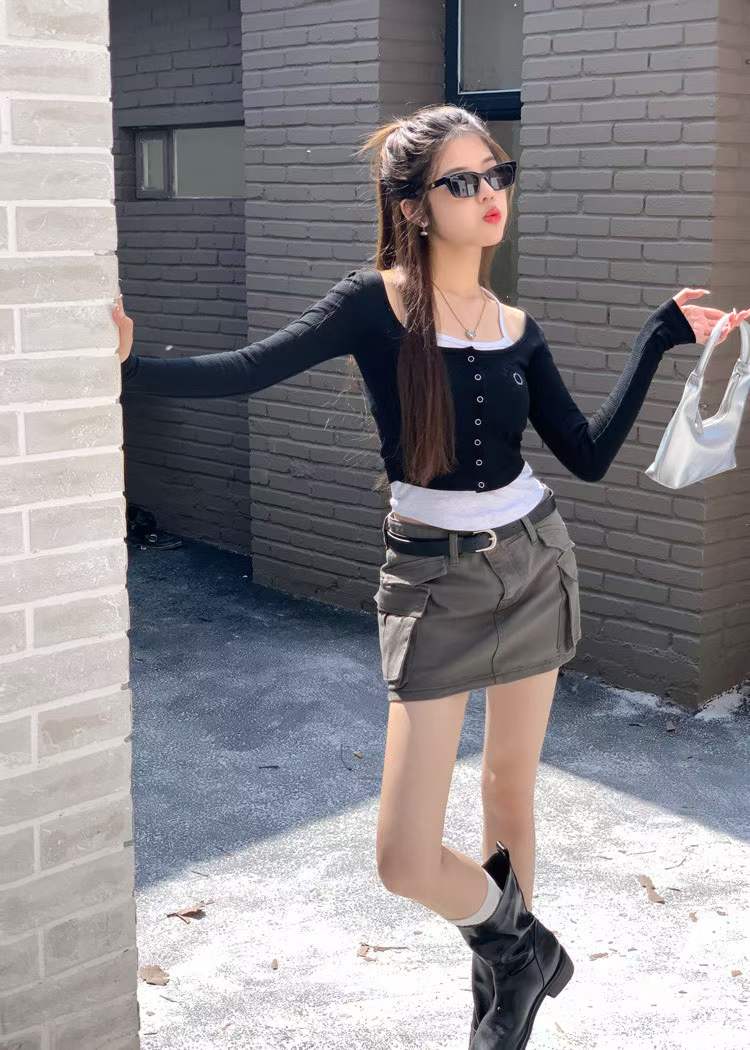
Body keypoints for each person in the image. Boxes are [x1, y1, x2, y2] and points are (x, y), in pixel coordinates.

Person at [112, 104, 749, 1048]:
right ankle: (524, 949)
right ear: (413, 205)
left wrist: (657, 339)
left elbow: (586, 456)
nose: (490, 194)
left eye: (497, 173)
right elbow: (245, 371)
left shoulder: (517, 326)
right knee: (406, 858)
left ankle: (503, 1005)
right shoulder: (373, 305)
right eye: (463, 181)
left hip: (534, 560)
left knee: (510, 791)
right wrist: (127, 368)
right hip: (432, 581)